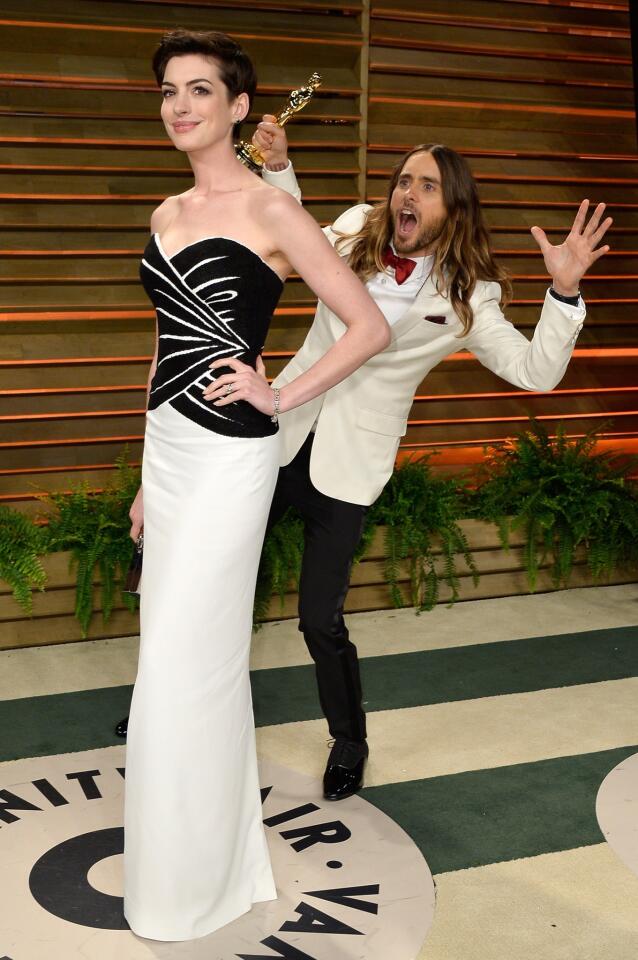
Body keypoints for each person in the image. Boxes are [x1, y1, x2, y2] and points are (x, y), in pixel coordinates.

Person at [237, 120, 612, 802]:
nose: (408, 192)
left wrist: (563, 295)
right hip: (279, 428)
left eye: (427, 186)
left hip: (350, 468)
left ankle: (349, 738)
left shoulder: (467, 297)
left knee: (319, 619)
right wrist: (279, 166)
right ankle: (179, 714)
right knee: (220, 584)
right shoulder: (355, 227)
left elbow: (535, 373)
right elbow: (291, 238)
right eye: (403, 179)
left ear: (452, 208)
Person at [122, 29, 390, 943]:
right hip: (171, 453)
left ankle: (197, 881)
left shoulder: (275, 210)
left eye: (200, 90)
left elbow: (364, 327)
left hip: (235, 456)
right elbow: (163, 347)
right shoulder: (165, 213)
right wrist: (145, 479)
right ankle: (187, 866)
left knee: (189, 663)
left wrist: (280, 394)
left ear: (240, 109)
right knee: (166, 654)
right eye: (169, 90)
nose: (180, 104)